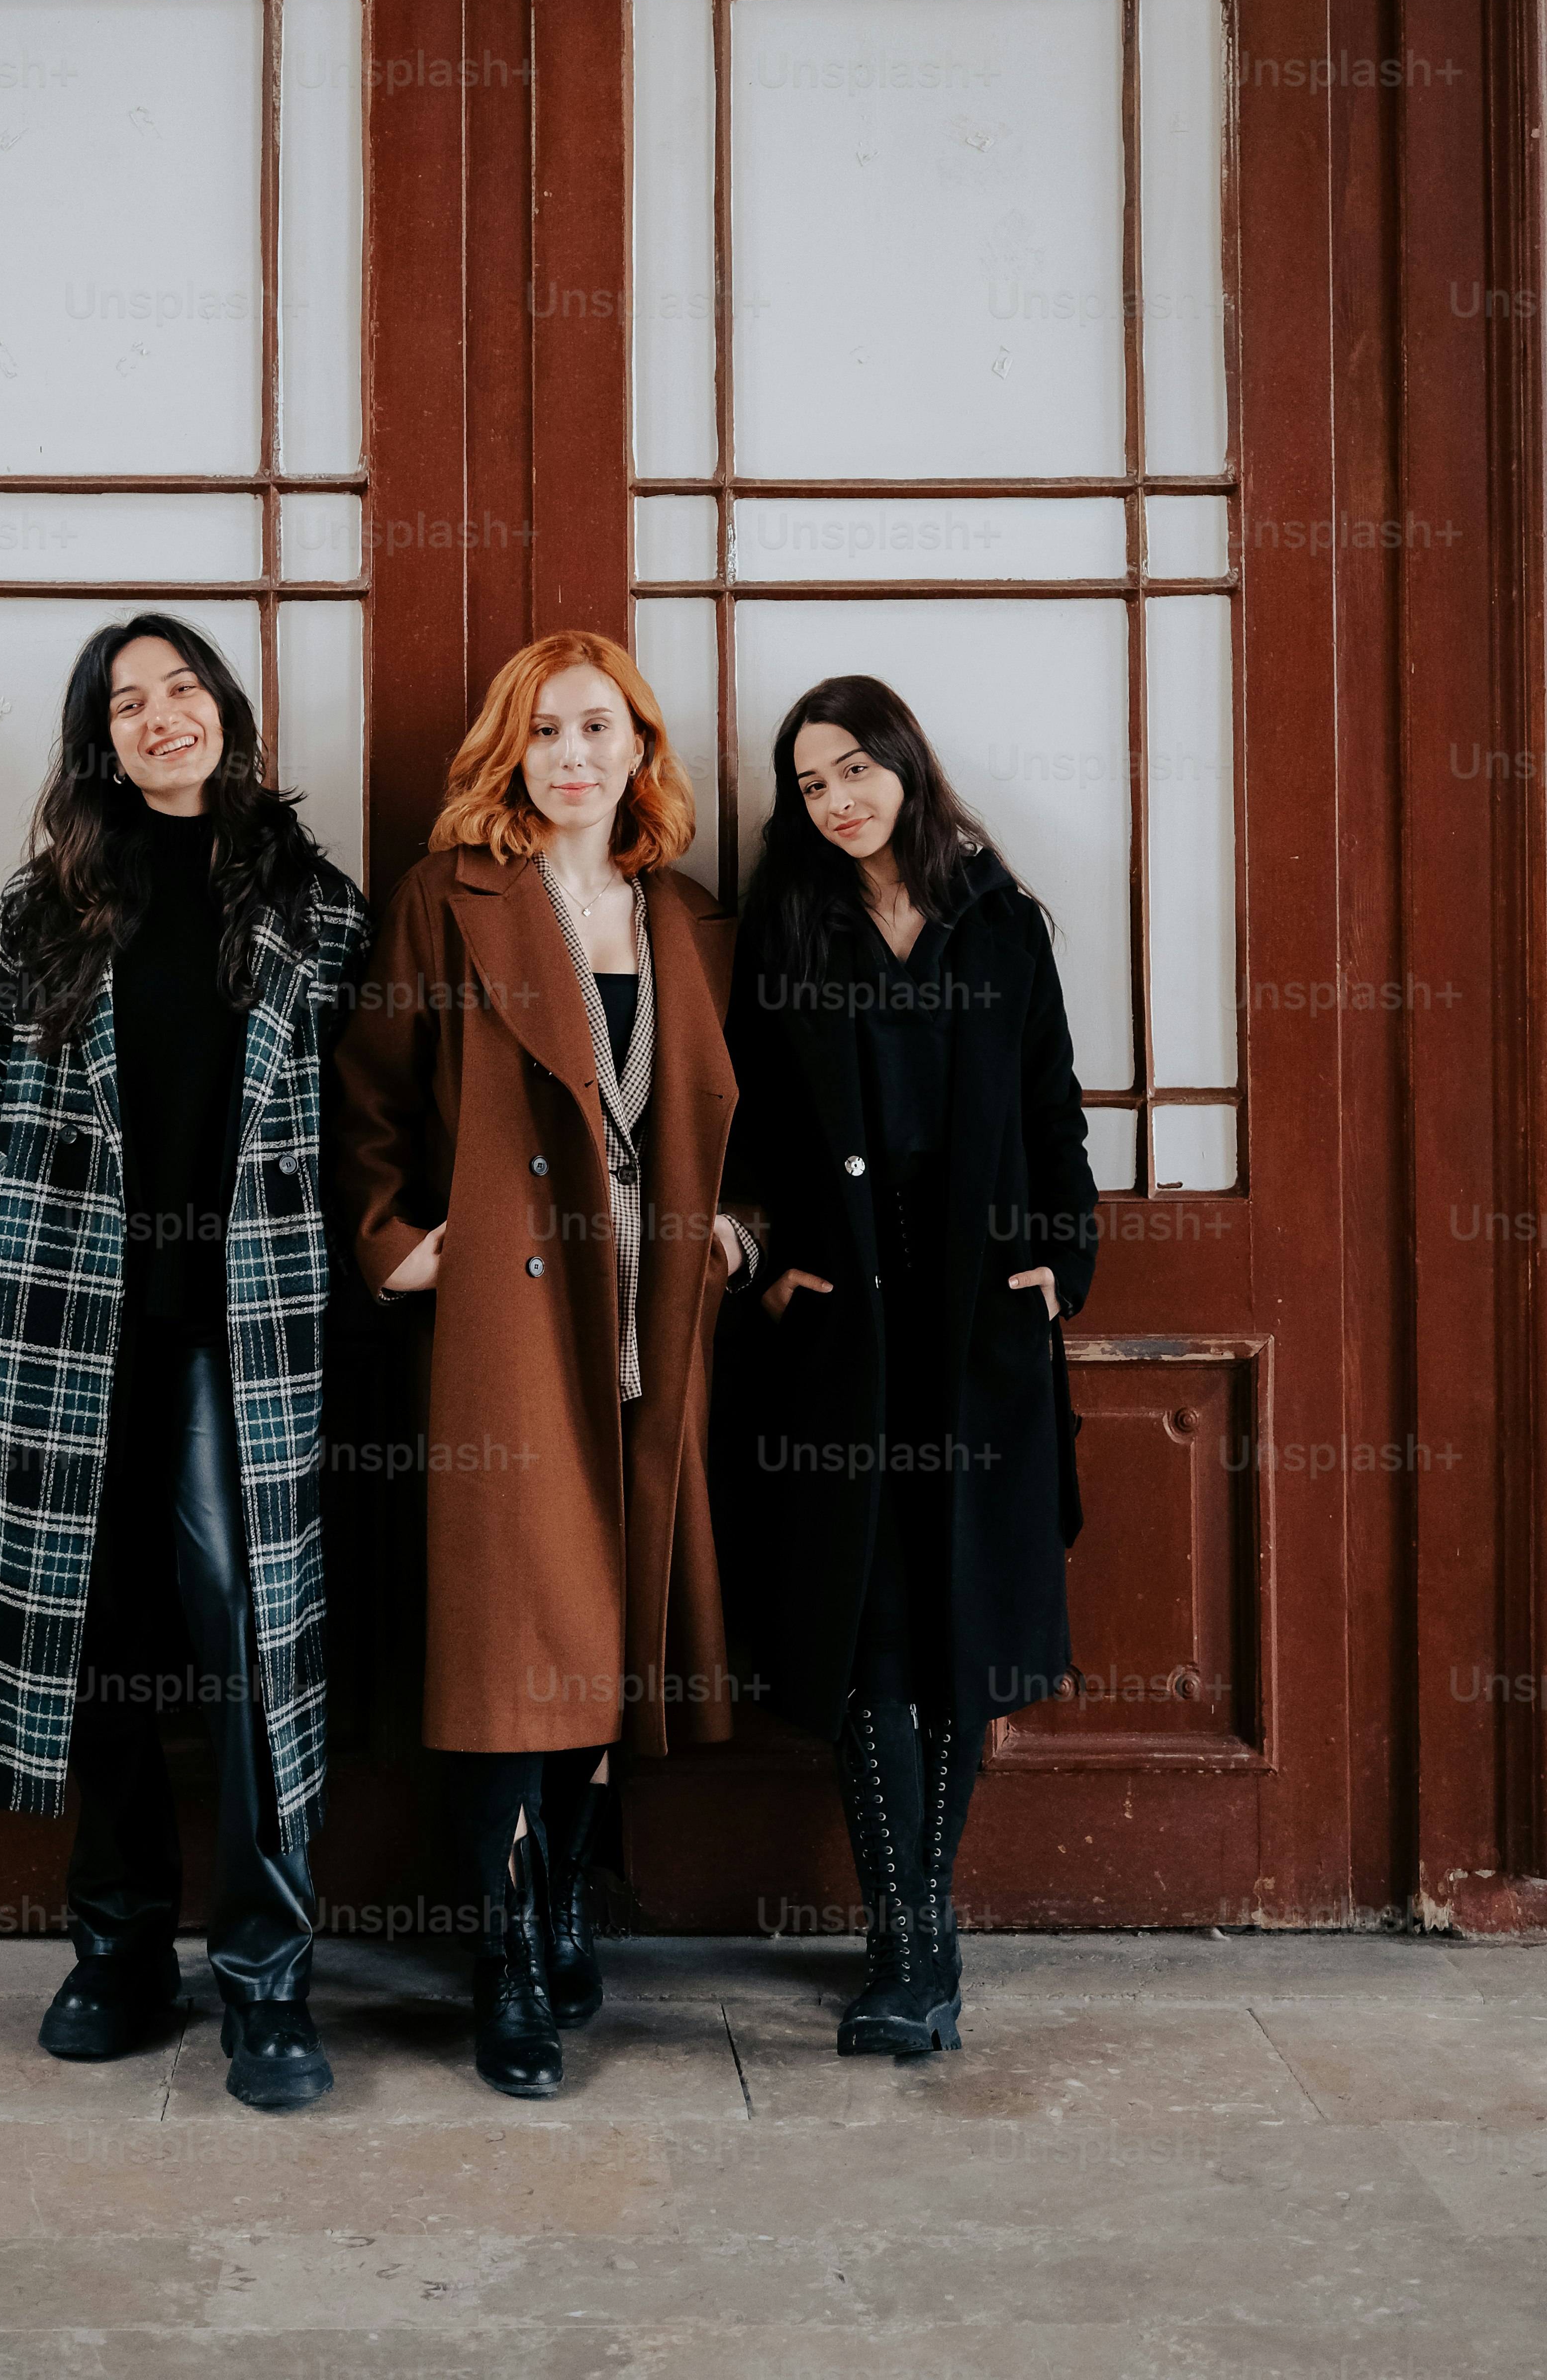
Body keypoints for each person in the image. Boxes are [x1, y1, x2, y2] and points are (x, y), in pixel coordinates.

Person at [0, 613, 369, 2111]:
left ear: (226, 708)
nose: (164, 719)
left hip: (243, 1326)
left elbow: (366, 1125)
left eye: (183, 690)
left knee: (246, 1643)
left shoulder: (314, 906)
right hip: (68, 1318)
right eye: (129, 704)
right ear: (103, 740)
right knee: (93, 1637)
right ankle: (119, 1948)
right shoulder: (54, 905)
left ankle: (269, 1983)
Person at [332, 632, 757, 2098]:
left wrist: (742, 1242)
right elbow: (371, 1092)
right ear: (509, 757)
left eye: (601, 727)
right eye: (546, 732)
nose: (574, 756)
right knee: (523, 1650)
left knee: (610, 1644)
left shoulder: (695, 924)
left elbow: (750, 1124)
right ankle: (505, 1959)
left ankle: (567, 1902)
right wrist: (393, 1241)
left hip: (657, 1329)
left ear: (642, 747)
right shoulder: (449, 907)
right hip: (510, 1330)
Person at [724, 674, 1097, 2057]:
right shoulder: (785, 929)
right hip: (847, 1325)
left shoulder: (1001, 925)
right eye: (811, 784)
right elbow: (738, 1124)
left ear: (905, 763)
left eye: (855, 769)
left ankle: (924, 1931)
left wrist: (1063, 1256)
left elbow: (1054, 1109)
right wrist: (769, 1271)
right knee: (867, 1625)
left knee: (959, 1626)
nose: (837, 800)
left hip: (976, 1313)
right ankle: (900, 1939)